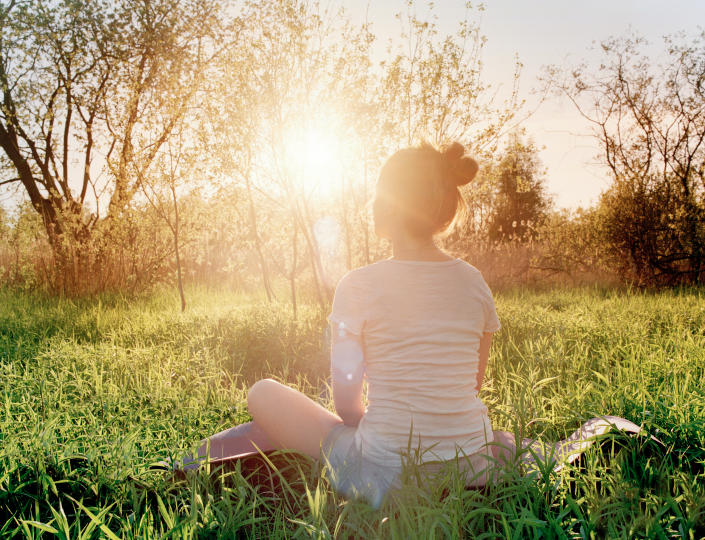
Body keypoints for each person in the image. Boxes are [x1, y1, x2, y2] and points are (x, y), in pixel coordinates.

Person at [183, 141, 514, 508]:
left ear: (388, 205)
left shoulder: (358, 285)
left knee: (262, 393)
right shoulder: (474, 282)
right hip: (470, 464)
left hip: (384, 470)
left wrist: (371, 426)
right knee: (501, 441)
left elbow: (346, 404)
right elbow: (474, 382)